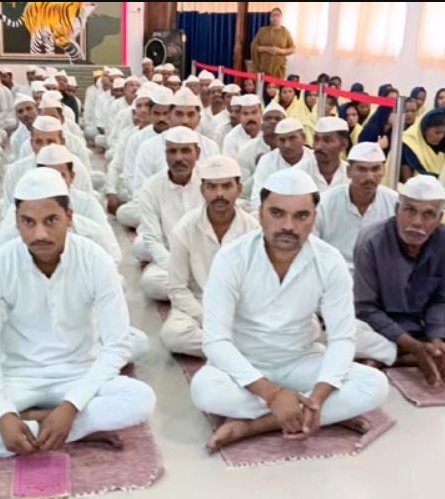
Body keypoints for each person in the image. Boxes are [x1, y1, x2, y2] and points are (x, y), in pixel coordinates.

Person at [0, 167, 156, 460]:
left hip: (79, 371)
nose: (40, 234)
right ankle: (67, 428)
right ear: (16, 222)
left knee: (141, 399)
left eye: (51, 220)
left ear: (69, 217)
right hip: (19, 376)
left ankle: (40, 425)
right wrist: (3, 414)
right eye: (28, 223)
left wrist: (70, 407)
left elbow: (116, 346)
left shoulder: (96, 261)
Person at [190, 168, 389, 452]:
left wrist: (319, 396)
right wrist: (272, 394)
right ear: (260, 213)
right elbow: (216, 342)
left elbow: (343, 337)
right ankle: (318, 413)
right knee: (205, 391)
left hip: (300, 359)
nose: (288, 226)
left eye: (301, 216)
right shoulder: (231, 258)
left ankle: (255, 425)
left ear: (314, 217)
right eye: (277, 213)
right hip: (246, 361)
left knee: (374, 385)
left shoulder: (329, 260)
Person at [354, 175, 445, 379]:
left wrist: (436, 339)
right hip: (376, 327)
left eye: (428, 215)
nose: (417, 222)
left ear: (439, 218)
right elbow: (365, 307)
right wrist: (413, 346)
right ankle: (407, 354)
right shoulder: (371, 240)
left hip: (421, 326)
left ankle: (395, 356)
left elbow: (441, 300)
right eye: (410, 210)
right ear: (397, 209)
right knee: (351, 334)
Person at [161, 156, 258, 357]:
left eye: (226, 186)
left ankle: (226, 348)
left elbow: (259, 285)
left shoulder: (253, 230)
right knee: (173, 335)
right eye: (212, 187)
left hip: (241, 308)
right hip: (198, 304)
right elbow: (177, 288)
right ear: (202, 190)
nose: (219, 194)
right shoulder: (184, 229)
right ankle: (242, 349)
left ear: (239, 189)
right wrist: (209, 320)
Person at [136, 127, 205, 301]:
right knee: (151, 283)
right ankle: (202, 291)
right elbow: (153, 240)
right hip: (171, 256)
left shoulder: (209, 183)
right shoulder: (151, 188)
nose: (178, 158)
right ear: (165, 154)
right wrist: (179, 269)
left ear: (197, 153)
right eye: (172, 151)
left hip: (207, 256)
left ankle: (192, 291)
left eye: (185, 151)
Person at [315, 142, 398, 272]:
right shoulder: (324, 203)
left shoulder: (395, 203)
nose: (369, 177)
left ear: (383, 171)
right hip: (333, 274)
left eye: (375, 169)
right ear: (348, 172)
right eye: (362, 170)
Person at [132, 88, 220, 192]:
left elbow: (216, 184)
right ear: (169, 116)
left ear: (199, 119)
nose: (185, 121)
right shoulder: (149, 147)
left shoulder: (210, 147)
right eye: (179, 114)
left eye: (190, 114)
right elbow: (140, 190)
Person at [2, 116, 93, 214]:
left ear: (62, 142)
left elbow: (85, 205)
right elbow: (11, 212)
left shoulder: (78, 168)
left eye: (51, 141)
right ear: (31, 143)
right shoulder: (16, 171)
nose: (44, 147)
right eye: (39, 142)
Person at [250, 117, 315, 211]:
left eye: (292, 138)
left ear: (303, 138)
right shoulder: (267, 160)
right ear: (276, 141)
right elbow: (257, 198)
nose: (287, 145)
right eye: (282, 140)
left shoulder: (315, 159)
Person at [236, 101, 285, 199]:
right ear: (261, 125)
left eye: (277, 119)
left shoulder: (292, 151)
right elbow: (242, 191)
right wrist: (260, 169)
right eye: (268, 118)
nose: (273, 121)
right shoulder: (247, 150)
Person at [401, 107, 445, 178]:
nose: (441, 136)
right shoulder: (409, 145)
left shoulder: (443, 145)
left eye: (443, 133)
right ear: (425, 129)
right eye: (437, 132)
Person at [306, 117, 350, 192]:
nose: (318, 146)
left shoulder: (352, 176)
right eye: (316, 139)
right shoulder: (299, 173)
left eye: (327, 140)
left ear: (343, 144)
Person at [250, 7, 295, 78]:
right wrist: (266, 49)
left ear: (281, 18)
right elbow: (253, 46)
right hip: (262, 68)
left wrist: (280, 51)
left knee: (276, 85)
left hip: (278, 70)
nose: (275, 18)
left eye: (277, 15)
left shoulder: (285, 32)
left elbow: (293, 49)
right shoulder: (262, 31)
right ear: (270, 18)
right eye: (273, 15)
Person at [222, 94, 263, 158]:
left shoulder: (269, 134)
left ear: (261, 113)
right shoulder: (231, 138)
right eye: (245, 113)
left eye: (254, 112)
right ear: (240, 116)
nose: (250, 117)